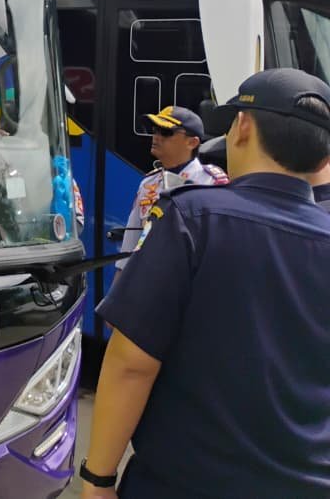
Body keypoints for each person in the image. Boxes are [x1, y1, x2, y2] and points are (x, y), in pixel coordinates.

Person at [80, 69, 330, 498]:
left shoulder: (193, 219)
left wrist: (97, 479)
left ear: (244, 128)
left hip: (187, 482)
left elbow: (130, 364)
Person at [115, 106, 226, 268]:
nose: (156, 137)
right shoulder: (148, 184)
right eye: (155, 130)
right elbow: (131, 243)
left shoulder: (211, 182)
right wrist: (119, 289)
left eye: (166, 132)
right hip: (152, 277)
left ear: (192, 142)